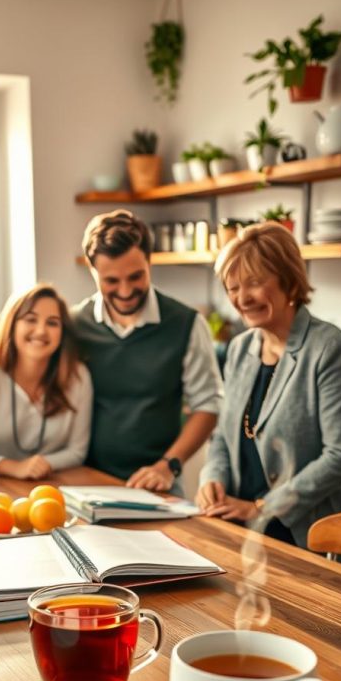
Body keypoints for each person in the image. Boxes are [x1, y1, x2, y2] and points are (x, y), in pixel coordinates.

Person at [195, 222, 341, 563]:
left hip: (310, 534)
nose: (241, 299)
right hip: (246, 530)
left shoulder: (329, 347)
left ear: (288, 279)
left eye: (255, 283)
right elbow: (223, 436)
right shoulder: (240, 347)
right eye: (233, 287)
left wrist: (261, 507)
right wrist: (211, 476)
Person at [73, 209, 222, 491]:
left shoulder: (187, 324)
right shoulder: (75, 325)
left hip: (157, 485)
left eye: (135, 276)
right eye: (111, 281)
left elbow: (208, 406)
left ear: (149, 263)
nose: (126, 291)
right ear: (92, 272)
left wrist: (168, 466)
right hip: (86, 482)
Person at [0, 284, 93, 479]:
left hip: (46, 488)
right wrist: (13, 467)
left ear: (62, 332)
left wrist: (41, 465)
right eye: (31, 319)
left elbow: (77, 451)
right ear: (12, 325)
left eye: (52, 323)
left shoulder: (78, 377)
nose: (41, 330)